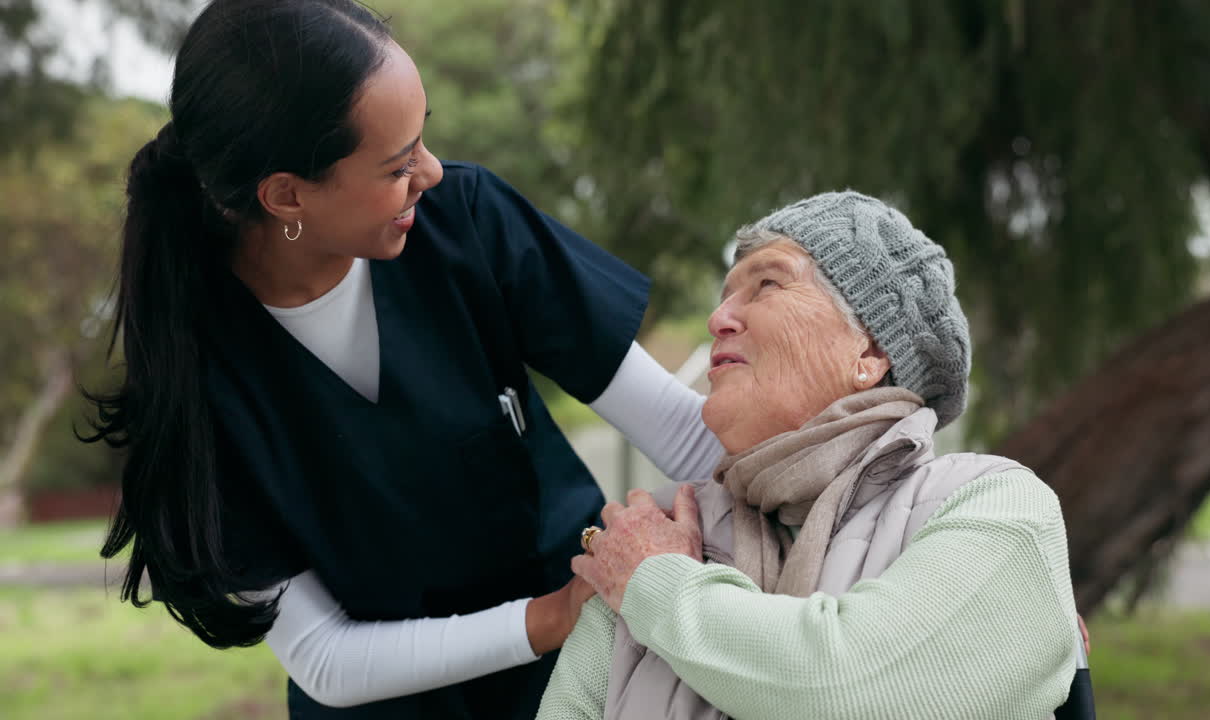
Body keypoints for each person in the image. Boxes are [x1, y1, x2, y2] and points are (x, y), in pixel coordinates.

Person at [81, 1, 723, 717]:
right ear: (286, 194)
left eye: (423, 139)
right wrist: (550, 617)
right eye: (397, 164)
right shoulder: (191, 374)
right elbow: (324, 656)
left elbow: (687, 433)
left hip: (587, 680)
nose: (433, 172)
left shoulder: (468, 224)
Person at [537, 191, 1083, 719]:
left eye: (767, 283)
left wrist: (659, 586)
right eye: (724, 295)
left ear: (869, 351)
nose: (719, 317)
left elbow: (851, 689)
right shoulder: (659, 530)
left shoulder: (998, 509)